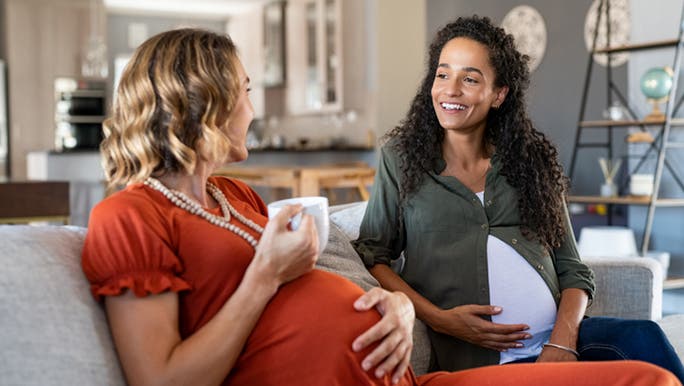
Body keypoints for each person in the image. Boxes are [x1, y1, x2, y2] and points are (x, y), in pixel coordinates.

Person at [80, 27, 680, 386]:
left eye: (471, 78)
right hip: (423, 368)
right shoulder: (129, 218)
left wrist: (395, 307)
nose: (253, 109)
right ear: (202, 100)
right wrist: (430, 316)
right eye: (244, 91)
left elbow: (319, 292)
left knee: (647, 367)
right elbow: (163, 378)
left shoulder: (231, 196)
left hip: (415, 373)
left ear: (499, 95)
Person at [352, 14, 684, 382]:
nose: (450, 89)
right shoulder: (399, 160)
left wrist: (562, 344)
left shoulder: (530, 162)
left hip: (560, 344)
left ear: (499, 94)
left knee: (644, 336)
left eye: (470, 79)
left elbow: (573, 270)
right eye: (443, 74)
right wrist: (439, 319)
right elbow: (373, 256)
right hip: (483, 361)